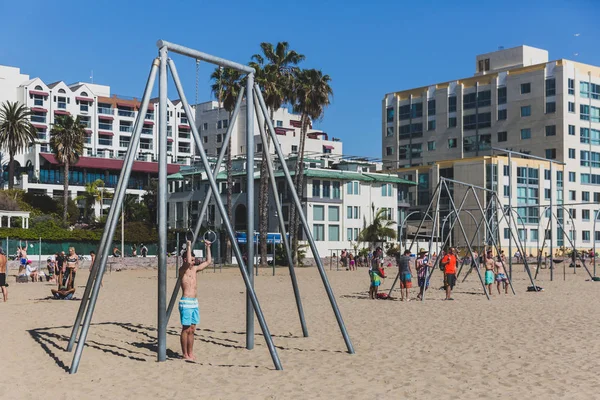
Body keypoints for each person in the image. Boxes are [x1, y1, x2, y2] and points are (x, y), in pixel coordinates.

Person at [179, 239, 212, 361]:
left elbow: (208, 262)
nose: (193, 262)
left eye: (194, 260)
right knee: (186, 329)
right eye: (191, 260)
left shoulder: (194, 270)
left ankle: (190, 353)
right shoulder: (183, 270)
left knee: (192, 330)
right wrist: (188, 246)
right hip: (186, 302)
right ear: (185, 259)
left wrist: (208, 247)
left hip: (194, 303)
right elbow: (187, 263)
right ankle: (184, 353)